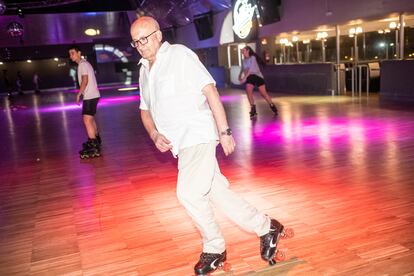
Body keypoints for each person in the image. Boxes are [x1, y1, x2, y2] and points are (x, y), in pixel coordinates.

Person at [130, 16, 290, 275]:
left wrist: (224, 131)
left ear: (159, 35)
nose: (141, 45)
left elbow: (210, 91)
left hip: (198, 135)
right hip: (180, 146)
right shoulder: (144, 70)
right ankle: (267, 228)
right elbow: (145, 110)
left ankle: (214, 248)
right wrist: (153, 133)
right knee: (217, 193)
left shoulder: (180, 55)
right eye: (136, 41)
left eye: (144, 38)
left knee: (188, 194)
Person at [68, 45, 102, 158]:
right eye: (70, 54)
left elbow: (85, 80)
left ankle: (93, 145)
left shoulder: (82, 64)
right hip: (94, 95)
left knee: (86, 119)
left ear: (79, 53)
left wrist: (79, 94)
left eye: (72, 53)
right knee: (90, 118)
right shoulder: (84, 63)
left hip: (90, 95)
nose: (71, 55)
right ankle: (96, 140)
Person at [239, 46, 278, 119]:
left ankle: (272, 105)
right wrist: (239, 75)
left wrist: (244, 79)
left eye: (243, 50)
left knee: (263, 94)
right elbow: (243, 69)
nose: (242, 51)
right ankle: (253, 108)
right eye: (242, 50)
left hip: (257, 76)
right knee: (248, 90)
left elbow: (250, 70)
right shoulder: (244, 60)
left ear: (248, 51)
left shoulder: (253, 58)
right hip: (250, 77)